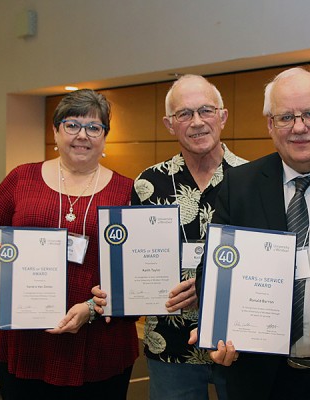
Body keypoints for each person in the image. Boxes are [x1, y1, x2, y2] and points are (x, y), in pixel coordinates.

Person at [0, 89, 139, 399]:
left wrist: (91, 309)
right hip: (27, 340)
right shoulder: (21, 179)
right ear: (55, 130)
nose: (82, 135)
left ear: (104, 136)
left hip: (98, 343)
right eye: (72, 125)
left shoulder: (128, 192)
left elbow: (136, 275)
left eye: (94, 127)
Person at [192, 67, 310, 399]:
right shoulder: (240, 185)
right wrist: (217, 331)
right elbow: (212, 268)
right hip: (259, 377)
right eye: (285, 117)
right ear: (269, 124)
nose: (299, 127)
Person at [94, 74, 247, 399]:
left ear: (223, 116)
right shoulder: (148, 184)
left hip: (235, 342)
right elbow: (132, 259)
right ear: (169, 123)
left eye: (206, 110)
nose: (196, 122)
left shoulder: (252, 180)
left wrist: (207, 286)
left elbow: (264, 265)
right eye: (184, 114)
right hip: (168, 344)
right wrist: (118, 289)